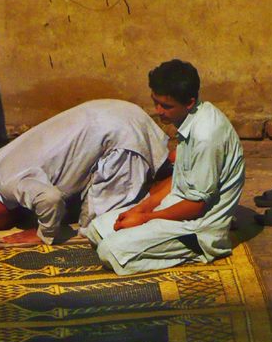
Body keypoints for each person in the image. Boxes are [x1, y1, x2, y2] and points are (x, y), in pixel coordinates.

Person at [81, 60, 245, 275]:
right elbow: (179, 180)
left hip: (197, 227)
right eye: (156, 102)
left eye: (166, 106)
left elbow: (196, 206)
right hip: (175, 207)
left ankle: (195, 252)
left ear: (189, 102)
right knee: (96, 230)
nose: (158, 111)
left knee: (109, 251)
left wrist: (145, 218)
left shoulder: (206, 136)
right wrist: (140, 209)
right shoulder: (190, 119)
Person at [0, 99, 170, 245]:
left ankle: (169, 200)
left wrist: (43, 234)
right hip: (117, 111)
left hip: (119, 135)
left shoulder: (9, 185)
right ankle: (165, 178)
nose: (5, 226)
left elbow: (50, 199)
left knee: (98, 229)